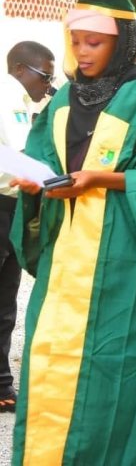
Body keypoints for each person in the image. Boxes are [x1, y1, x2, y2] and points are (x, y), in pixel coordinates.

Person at [9, 0, 136, 464]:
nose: (83, 51)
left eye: (94, 41)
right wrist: (36, 184)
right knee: (52, 358)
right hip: (65, 257)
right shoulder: (61, 100)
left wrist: (100, 178)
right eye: (76, 41)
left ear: (123, 43)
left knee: (121, 367)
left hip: (128, 255)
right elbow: (47, 162)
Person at [0, 41, 55, 414]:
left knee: (6, 300)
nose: (47, 86)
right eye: (45, 76)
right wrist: (56, 178)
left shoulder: (21, 99)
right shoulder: (9, 93)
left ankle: (2, 381)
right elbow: (17, 156)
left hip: (12, 205)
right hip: (3, 201)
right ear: (21, 69)